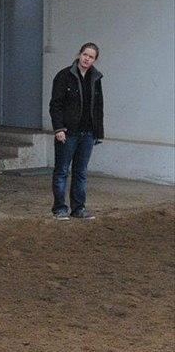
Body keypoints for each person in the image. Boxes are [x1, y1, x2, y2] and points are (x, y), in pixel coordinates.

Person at [49, 43, 104, 220]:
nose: (87, 59)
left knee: (81, 172)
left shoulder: (96, 78)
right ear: (79, 54)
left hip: (88, 133)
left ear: (95, 60)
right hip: (68, 132)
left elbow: (98, 107)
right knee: (62, 170)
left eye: (91, 57)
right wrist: (58, 128)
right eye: (85, 54)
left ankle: (79, 208)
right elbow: (55, 105)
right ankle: (60, 208)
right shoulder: (64, 76)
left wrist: (98, 132)